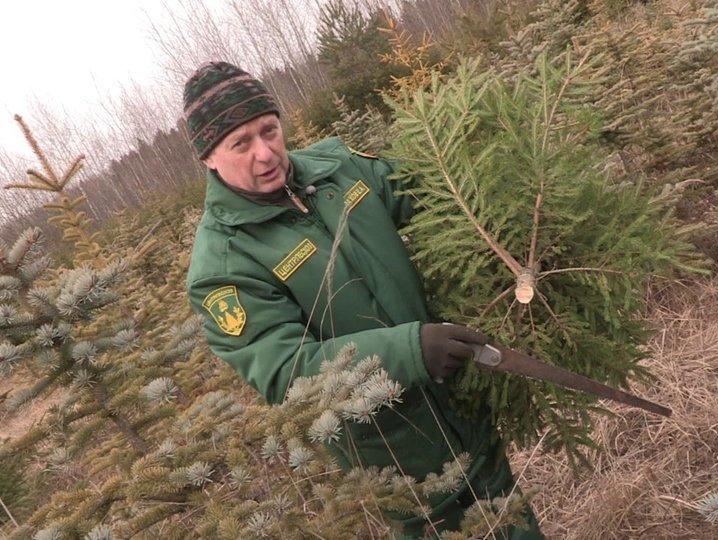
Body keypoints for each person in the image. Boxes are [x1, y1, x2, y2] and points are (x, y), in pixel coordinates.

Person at [183, 61, 543, 539]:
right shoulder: (222, 267)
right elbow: (290, 375)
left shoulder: (340, 166)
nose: (266, 153)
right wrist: (412, 351)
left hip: (464, 411)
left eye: (269, 130)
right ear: (209, 157)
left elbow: (430, 194)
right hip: (401, 460)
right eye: (241, 143)